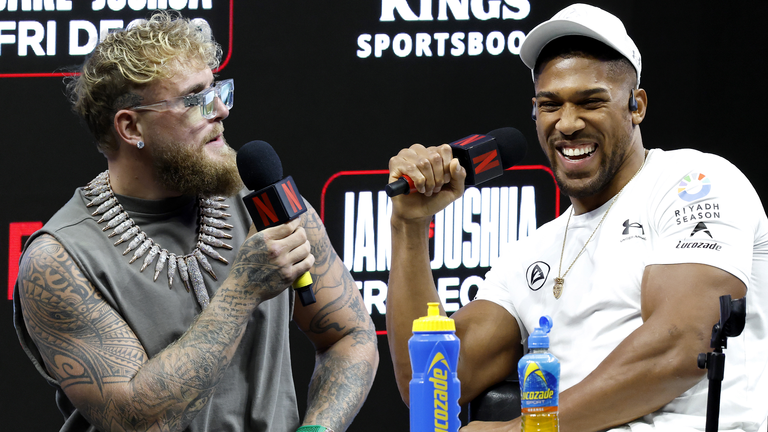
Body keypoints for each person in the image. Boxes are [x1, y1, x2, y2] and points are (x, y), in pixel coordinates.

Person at [385, 4, 768, 431]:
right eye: (550, 105)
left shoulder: (694, 181)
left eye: (591, 102)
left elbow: (682, 344)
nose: (567, 124)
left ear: (636, 105)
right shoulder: (529, 253)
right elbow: (435, 380)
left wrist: (522, 429)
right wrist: (408, 227)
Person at [13, 11, 378, 432]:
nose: (221, 110)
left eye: (217, 90)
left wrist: (317, 429)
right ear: (131, 127)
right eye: (194, 99)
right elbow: (138, 423)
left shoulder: (262, 198)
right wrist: (242, 290)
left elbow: (350, 336)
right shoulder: (60, 259)